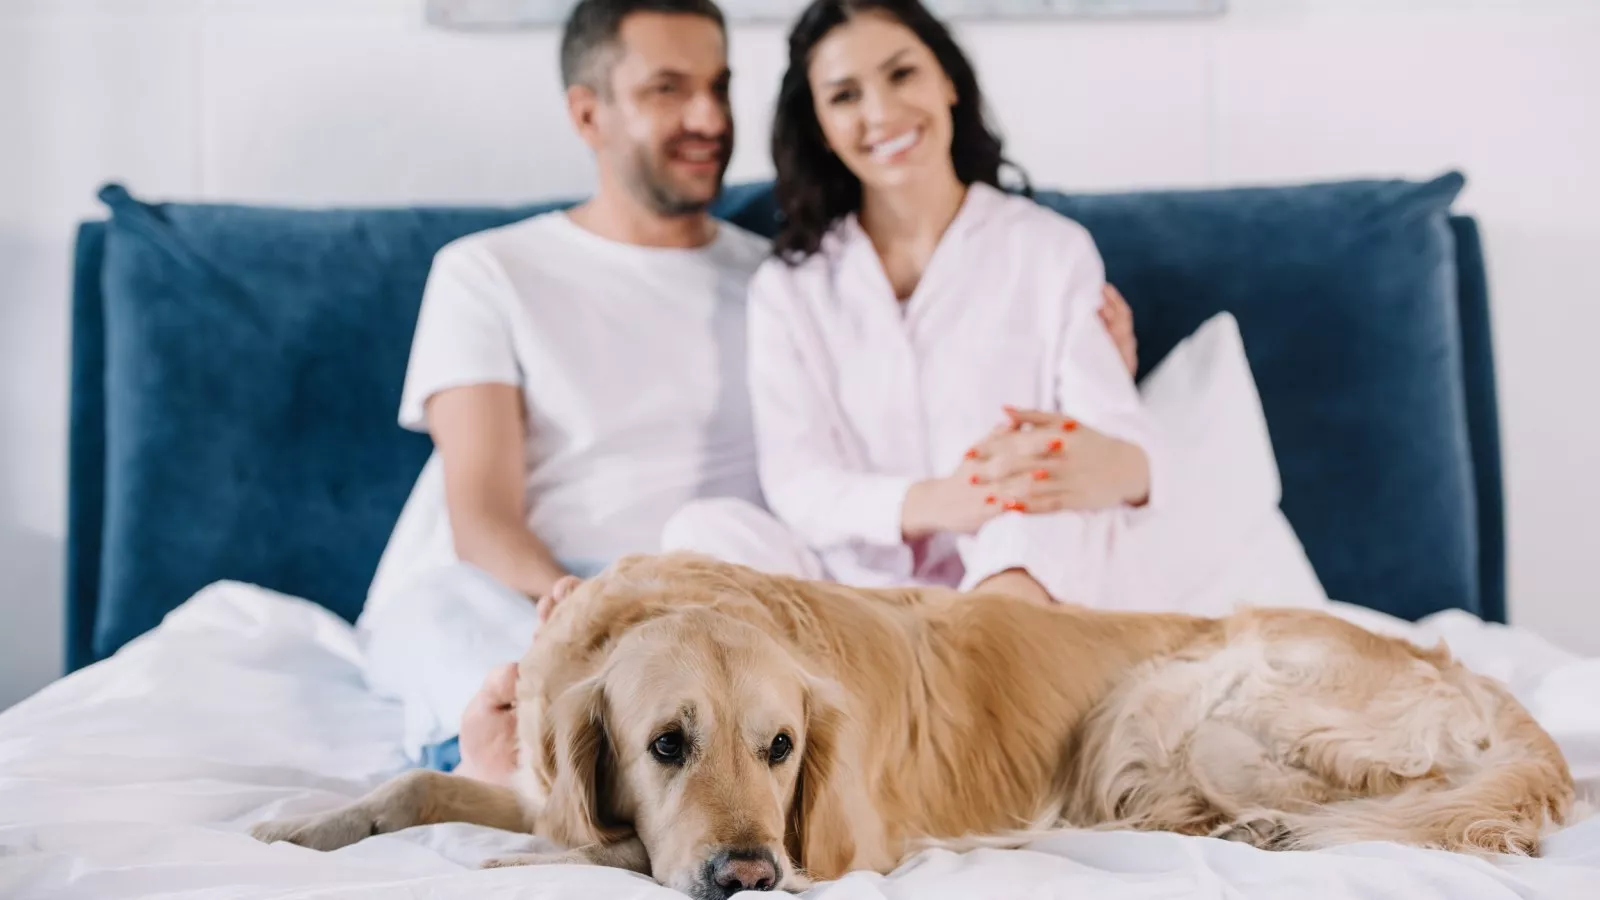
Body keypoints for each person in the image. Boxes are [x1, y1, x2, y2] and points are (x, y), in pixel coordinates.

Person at [358, 0, 1138, 785]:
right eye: (668, 89)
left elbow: (979, 380)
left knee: (718, 582)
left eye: (719, 87)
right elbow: (480, 517)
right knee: (442, 614)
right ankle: (498, 751)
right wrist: (588, 601)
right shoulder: (488, 271)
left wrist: (1104, 385)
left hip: (719, 585)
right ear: (589, 113)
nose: (706, 117)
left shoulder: (775, 272)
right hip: (549, 584)